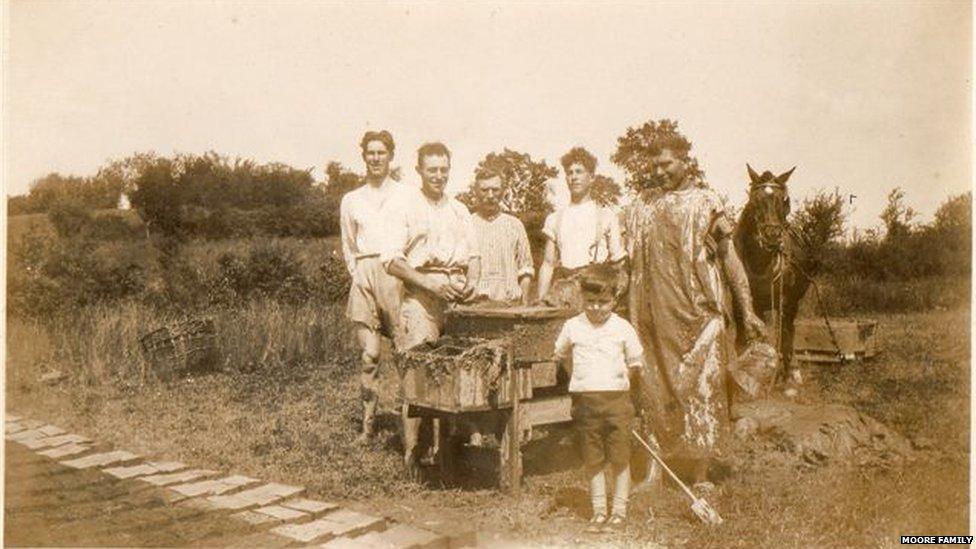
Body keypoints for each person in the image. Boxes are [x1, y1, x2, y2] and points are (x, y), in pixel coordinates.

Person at [624, 128, 765, 487]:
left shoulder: (706, 203)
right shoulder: (643, 205)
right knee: (652, 392)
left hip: (698, 317)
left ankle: (700, 473)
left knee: (703, 392)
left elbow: (729, 259)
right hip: (652, 319)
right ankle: (654, 472)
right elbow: (627, 265)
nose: (659, 172)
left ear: (685, 161)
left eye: (666, 164)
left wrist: (746, 309)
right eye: (653, 166)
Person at [381, 141, 482, 470]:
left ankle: (447, 453)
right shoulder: (405, 207)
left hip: (455, 297)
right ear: (419, 171)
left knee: (456, 374)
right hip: (421, 297)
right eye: (432, 169)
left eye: (444, 169)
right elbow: (392, 261)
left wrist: (470, 284)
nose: (438, 176)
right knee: (418, 375)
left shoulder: (459, 210)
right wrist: (429, 283)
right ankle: (413, 453)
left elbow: (474, 256)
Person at [553, 263, 645, 528]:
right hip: (586, 403)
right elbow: (560, 355)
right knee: (593, 459)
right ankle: (599, 510)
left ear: (614, 300)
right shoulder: (573, 326)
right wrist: (577, 376)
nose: (595, 307)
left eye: (602, 302)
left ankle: (619, 509)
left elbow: (636, 360)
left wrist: (622, 378)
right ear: (582, 298)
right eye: (590, 301)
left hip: (616, 402)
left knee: (620, 457)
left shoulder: (622, 328)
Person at [339, 130, 404, 444]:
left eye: (382, 152)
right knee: (369, 356)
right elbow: (348, 244)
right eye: (370, 152)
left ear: (391, 155)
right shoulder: (351, 200)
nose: (376, 158)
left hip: (397, 275)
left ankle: (413, 431)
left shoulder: (406, 195)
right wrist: (360, 274)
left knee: (406, 355)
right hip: (365, 273)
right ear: (363, 156)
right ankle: (367, 428)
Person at [536, 147, 626, 310]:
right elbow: (548, 264)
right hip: (564, 295)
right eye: (570, 173)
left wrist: (612, 300)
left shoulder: (606, 215)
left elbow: (619, 263)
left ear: (591, 177)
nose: (574, 177)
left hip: (595, 294)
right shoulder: (555, 218)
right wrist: (541, 301)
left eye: (579, 172)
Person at [470, 167, 534, 305]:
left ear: (503, 191)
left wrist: (524, 303)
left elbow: (526, 268)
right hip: (475, 307)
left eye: (495, 189)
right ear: (476, 192)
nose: (490, 195)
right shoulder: (466, 225)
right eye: (484, 190)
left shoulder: (515, 225)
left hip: (510, 306)